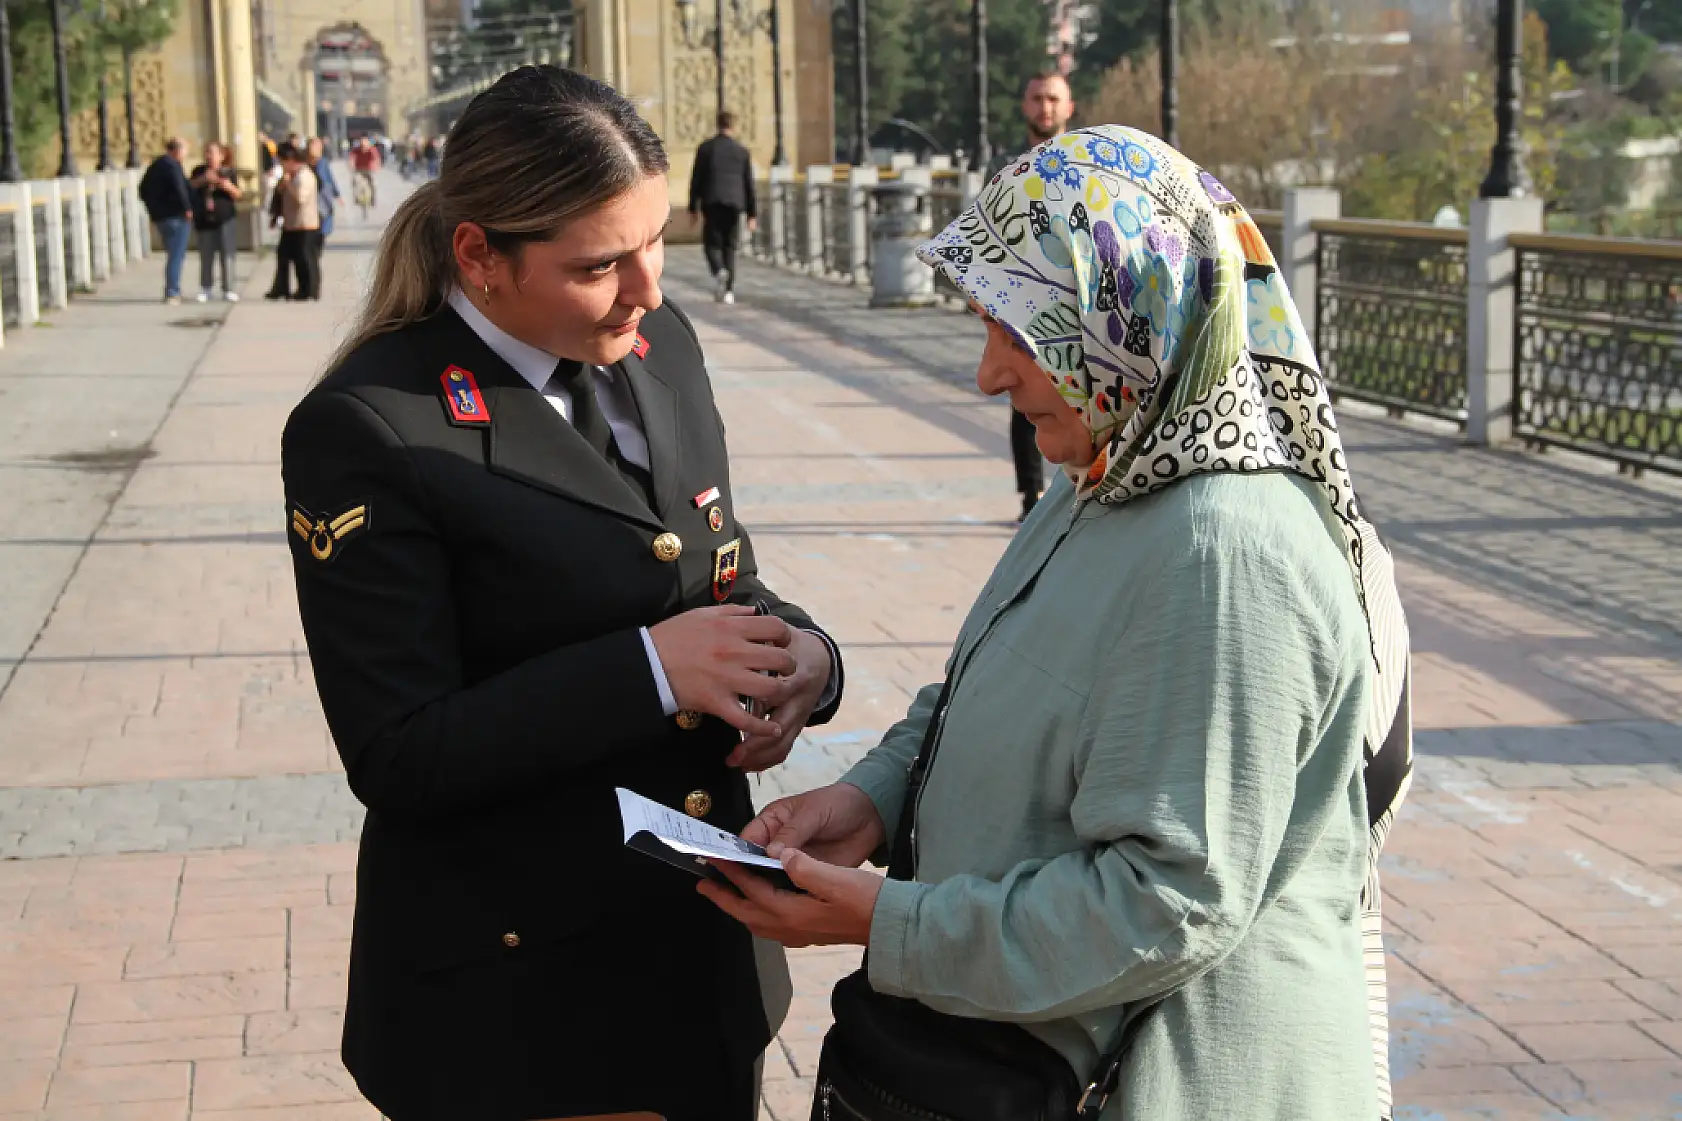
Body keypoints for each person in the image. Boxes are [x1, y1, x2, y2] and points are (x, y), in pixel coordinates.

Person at [700, 126, 1414, 1121]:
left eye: (1020, 335)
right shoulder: (1104, 479)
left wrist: (886, 921)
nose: (989, 377)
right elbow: (983, 693)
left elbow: (1167, 902)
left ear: (1128, 320)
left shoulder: (1223, 551)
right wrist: (871, 801)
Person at [279, 65, 844, 1121]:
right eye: (600, 265)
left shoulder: (654, 343)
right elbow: (399, 752)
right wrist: (647, 670)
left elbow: (715, 566)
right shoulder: (372, 425)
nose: (648, 287)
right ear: (480, 256)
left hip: (699, 961)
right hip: (528, 997)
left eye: (656, 241)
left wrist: (805, 655)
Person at [1005, 71, 1077, 520]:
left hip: (1077, 302)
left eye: (1053, 99)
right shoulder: (1011, 173)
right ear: (1024, 106)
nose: (1044, 107)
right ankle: (1030, 496)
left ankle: (1078, 490)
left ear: (1069, 107)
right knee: (1025, 399)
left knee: (1083, 398)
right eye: (1036, 99)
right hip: (1023, 301)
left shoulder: (1087, 168)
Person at [687, 111, 756, 305]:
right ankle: (728, 292)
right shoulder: (741, 151)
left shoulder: (706, 149)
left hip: (712, 201)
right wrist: (752, 214)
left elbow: (697, 179)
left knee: (711, 243)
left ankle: (718, 270)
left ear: (717, 124)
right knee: (730, 246)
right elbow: (748, 184)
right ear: (732, 126)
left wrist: (693, 207)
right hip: (735, 203)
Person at [138, 137, 194, 304]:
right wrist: (187, 208)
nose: (185, 155)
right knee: (176, 255)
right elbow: (179, 187)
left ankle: (172, 289)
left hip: (161, 217)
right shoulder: (172, 166)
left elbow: (142, 189)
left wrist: (154, 208)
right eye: (185, 151)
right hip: (176, 216)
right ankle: (173, 291)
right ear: (177, 150)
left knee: (172, 254)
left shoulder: (156, 165)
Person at [189, 141, 243, 302]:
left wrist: (224, 184)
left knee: (227, 254)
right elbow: (189, 186)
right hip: (204, 218)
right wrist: (202, 180)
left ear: (222, 155)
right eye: (207, 152)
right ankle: (206, 288)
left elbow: (238, 194)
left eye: (213, 153)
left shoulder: (229, 172)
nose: (210, 156)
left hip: (225, 218)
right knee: (206, 255)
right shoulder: (199, 171)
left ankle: (229, 288)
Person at [266, 143, 319, 301]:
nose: (282, 166)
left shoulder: (304, 176)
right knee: (284, 256)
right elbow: (280, 197)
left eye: (283, 162)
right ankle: (282, 288)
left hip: (305, 225)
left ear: (290, 160)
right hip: (290, 225)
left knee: (305, 259)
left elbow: (301, 198)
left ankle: (309, 290)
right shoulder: (290, 175)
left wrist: (288, 185)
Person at [308, 136, 339, 297]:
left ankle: (314, 284)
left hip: (322, 208)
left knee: (317, 244)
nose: (315, 150)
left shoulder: (323, 163)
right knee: (310, 248)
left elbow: (330, 180)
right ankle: (311, 284)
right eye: (313, 146)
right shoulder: (305, 164)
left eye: (317, 147)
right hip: (308, 210)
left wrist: (337, 194)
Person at [350, 136, 381, 209]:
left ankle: (373, 199)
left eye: (365, 145)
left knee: (373, 184)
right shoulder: (356, 150)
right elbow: (351, 158)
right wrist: (351, 166)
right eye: (362, 145)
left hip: (369, 170)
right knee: (355, 181)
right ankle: (357, 198)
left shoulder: (372, 149)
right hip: (359, 170)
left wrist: (376, 166)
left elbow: (376, 158)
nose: (363, 147)